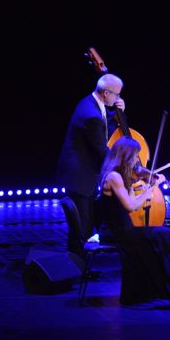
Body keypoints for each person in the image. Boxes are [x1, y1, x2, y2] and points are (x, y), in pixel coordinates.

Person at [98, 136, 170, 310]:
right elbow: (130, 206)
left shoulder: (121, 176)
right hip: (116, 233)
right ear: (125, 155)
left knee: (162, 234)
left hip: (125, 229)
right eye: (135, 156)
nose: (137, 161)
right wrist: (150, 190)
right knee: (161, 234)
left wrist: (145, 187)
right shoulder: (114, 176)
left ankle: (162, 290)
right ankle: (163, 290)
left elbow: (133, 200)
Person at [57, 74, 125, 259]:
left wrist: (118, 114)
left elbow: (104, 126)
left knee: (86, 223)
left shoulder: (93, 103)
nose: (118, 99)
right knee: (81, 227)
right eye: (117, 95)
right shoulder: (91, 115)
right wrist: (127, 168)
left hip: (84, 172)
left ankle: (82, 267)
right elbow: (103, 150)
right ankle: (78, 268)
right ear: (105, 93)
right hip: (79, 175)